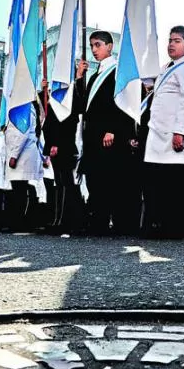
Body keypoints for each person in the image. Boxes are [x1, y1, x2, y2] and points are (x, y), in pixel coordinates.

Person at [74, 31, 140, 235]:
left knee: (111, 179)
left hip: (109, 134)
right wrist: (79, 79)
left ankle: (119, 223)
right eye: (92, 45)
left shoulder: (117, 71)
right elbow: (83, 106)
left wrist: (113, 128)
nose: (94, 49)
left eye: (98, 45)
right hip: (92, 135)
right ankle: (98, 221)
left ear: (110, 46)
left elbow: (120, 103)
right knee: (95, 179)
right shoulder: (94, 75)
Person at [142, 26, 184, 238]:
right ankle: (159, 225)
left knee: (176, 182)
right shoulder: (167, 67)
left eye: (177, 41)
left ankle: (182, 228)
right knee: (158, 181)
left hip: (173, 134)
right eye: (170, 40)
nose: (171, 44)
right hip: (158, 133)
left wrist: (181, 132)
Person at [42, 87, 82, 234]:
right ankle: (58, 218)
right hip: (56, 146)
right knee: (59, 183)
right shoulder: (55, 103)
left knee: (66, 183)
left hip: (64, 147)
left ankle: (65, 220)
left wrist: (56, 143)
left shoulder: (68, 104)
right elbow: (49, 125)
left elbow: (67, 126)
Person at [4, 104, 44, 232]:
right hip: (20, 154)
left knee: (20, 190)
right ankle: (19, 221)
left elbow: (23, 133)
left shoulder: (24, 107)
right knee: (19, 189)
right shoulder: (22, 107)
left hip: (22, 154)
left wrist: (14, 155)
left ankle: (20, 222)